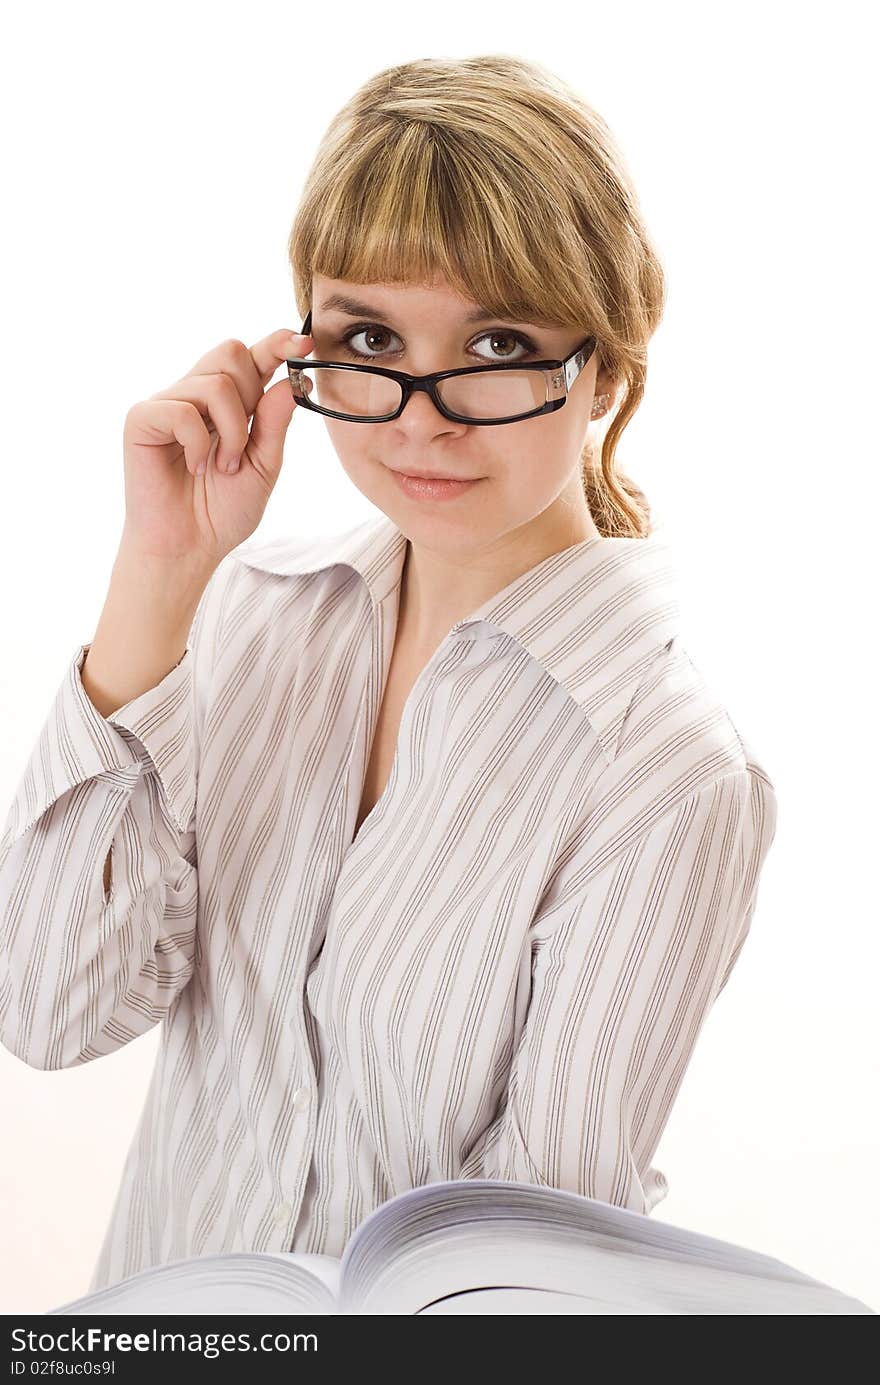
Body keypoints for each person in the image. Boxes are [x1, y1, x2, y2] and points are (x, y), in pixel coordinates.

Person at [0, 54, 777, 1295]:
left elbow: (532, 1265)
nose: (419, 416)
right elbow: (51, 1009)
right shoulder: (258, 617)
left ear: (609, 371)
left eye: (498, 341)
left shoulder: (669, 767)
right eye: (368, 337)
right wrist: (158, 578)